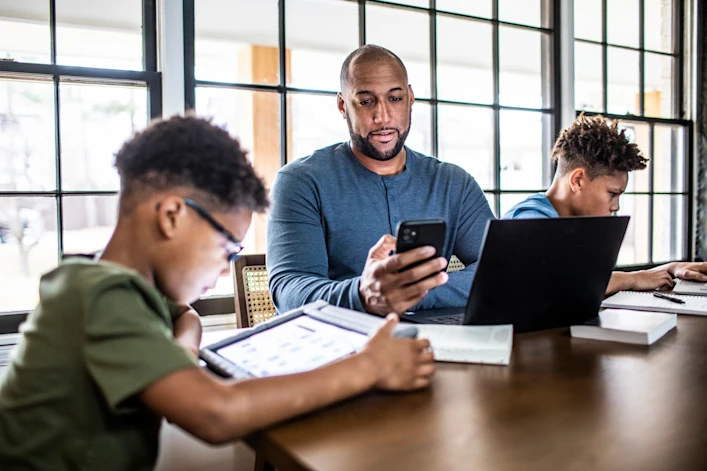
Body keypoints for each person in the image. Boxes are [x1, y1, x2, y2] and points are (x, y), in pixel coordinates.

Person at [0, 116, 435, 471]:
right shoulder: (100, 295)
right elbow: (216, 414)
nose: (227, 266)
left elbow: (185, 315)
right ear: (172, 216)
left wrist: (180, 354)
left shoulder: (117, 287)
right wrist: (368, 368)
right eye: (227, 246)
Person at [267, 45, 495, 316]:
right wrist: (364, 294)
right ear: (343, 105)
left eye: (395, 99)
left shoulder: (453, 183)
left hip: (434, 345)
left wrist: (410, 293)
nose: (383, 117)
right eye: (366, 101)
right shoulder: (300, 183)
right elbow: (289, 290)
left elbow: (500, 269)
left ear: (410, 98)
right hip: (344, 347)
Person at [503, 113, 707, 294]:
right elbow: (561, 287)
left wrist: (668, 269)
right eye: (612, 193)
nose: (616, 206)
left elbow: (594, 282)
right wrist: (632, 278)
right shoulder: (529, 221)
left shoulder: (570, 223)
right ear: (577, 180)